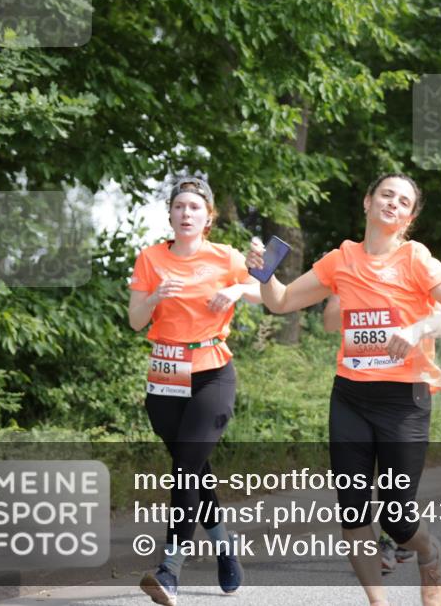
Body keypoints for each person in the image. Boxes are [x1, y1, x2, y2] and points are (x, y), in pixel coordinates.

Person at [248, 173, 441, 606]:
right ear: (367, 202)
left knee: (397, 518)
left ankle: (430, 553)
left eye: (403, 201)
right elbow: (280, 301)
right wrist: (264, 273)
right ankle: (378, 602)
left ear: (409, 217)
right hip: (351, 397)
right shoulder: (340, 259)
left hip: (403, 400)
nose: (392, 203)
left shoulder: (415, 259)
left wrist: (422, 326)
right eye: (385, 195)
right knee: (353, 510)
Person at [128, 177, 262, 606]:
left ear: (208, 217)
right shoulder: (150, 258)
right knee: (194, 467)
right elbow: (134, 320)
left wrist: (239, 287)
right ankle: (225, 548)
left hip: (212, 372)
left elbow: (266, 293)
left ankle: (170, 570)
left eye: (195, 207)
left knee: (186, 466)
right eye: (179, 206)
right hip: (165, 375)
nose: (186, 213)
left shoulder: (226, 256)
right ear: (170, 213)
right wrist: (154, 299)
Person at [324, 294, 417, 574]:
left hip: (401, 397)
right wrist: (342, 293)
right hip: (356, 394)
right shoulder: (350, 275)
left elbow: (435, 318)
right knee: (356, 485)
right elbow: (330, 323)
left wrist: (417, 326)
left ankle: (394, 537)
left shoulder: (414, 269)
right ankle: (380, 547)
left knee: (395, 485)